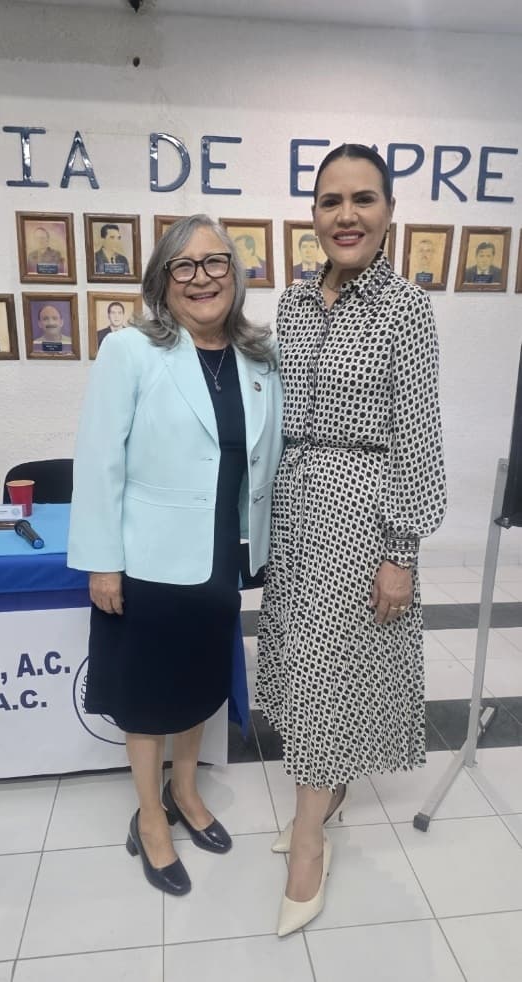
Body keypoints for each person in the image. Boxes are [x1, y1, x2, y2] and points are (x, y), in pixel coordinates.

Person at [257, 144, 446, 937]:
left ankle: (309, 842)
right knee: (303, 661)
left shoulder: (405, 308)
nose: (346, 215)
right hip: (295, 509)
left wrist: (401, 550)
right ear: (312, 216)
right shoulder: (294, 306)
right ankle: (327, 788)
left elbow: (419, 434)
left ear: (390, 213)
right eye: (331, 201)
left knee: (332, 667)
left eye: (363, 199)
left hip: (363, 511)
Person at [68, 214, 283, 897]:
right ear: (162, 281)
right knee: (146, 697)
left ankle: (188, 793)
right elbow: (100, 460)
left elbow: (262, 461)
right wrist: (103, 561)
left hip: (220, 554)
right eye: (184, 267)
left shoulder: (257, 357)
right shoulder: (130, 351)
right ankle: (152, 817)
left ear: (235, 273)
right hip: (146, 561)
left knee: (195, 688)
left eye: (215, 263)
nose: (202, 279)